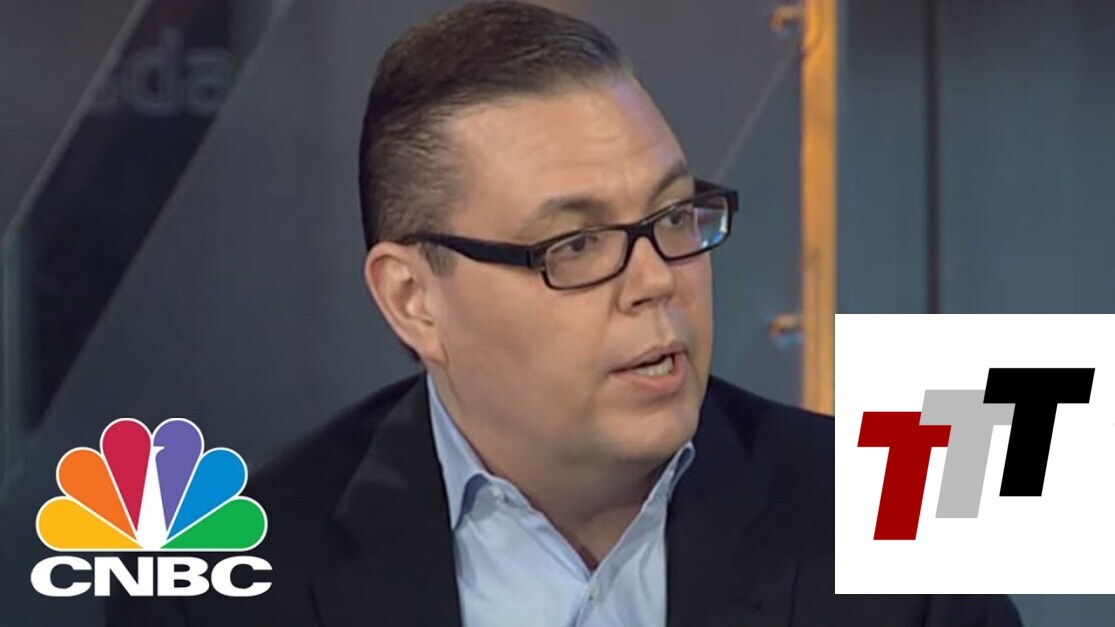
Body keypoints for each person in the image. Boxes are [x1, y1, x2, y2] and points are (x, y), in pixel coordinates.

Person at [109, 2, 1021, 625]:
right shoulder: (213, 587)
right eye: (575, 244)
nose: (656, 279)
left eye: (673, 215)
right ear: (413, 299)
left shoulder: (901, 528)